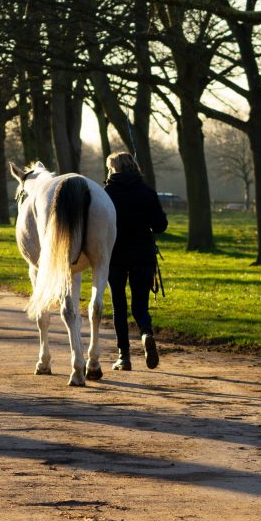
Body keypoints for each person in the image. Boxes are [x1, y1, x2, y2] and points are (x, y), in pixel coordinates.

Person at [103, 152, 167, 371]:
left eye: (109, 168)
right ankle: (146, 333)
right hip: (143, 255)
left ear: (114, 169)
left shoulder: (107, 194)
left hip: (116, 256)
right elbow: (160, 226)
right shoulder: (147, 192)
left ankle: (124, 356)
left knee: (119, 306)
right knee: (140, 305)